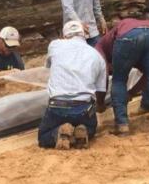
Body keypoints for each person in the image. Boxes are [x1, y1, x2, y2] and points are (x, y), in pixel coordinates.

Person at [95, 17, 149, 148]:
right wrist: (131, 93)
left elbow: (103, 75)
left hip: (128, 36)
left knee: (119, 79)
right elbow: (148, 76)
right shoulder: (126, 28)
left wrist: (100, 102)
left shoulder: (100, 46)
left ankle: (122, 126)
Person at [39, 20, 108, 150]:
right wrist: (99, 104)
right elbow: (100, 90)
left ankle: (58, 132)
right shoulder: (96, 55)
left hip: (58, 106)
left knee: (43, 136)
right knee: (92, 129)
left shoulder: (55, 45)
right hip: (83, 108)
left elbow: (49, 65)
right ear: (84, 35)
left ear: (64, 36)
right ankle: (82, 131)